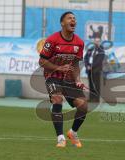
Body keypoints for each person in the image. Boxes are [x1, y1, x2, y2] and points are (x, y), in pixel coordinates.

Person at [39, 11, 88, 148]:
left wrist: (78, 79)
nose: (73, 20)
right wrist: (58, 68)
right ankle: (60, 138)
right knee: (57, 99)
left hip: (69, 80)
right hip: (52, 77)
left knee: (83, 106)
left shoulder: (79, 42)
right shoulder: (52, 40)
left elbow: (76, 65)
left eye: (74, 18)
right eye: (70, 18)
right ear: (62, 23)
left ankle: (73, 132)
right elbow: (42, 61)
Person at [84, 37, 105, 102]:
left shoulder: (101, 50)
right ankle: (91, 98)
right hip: (89, 70)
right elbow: (85, 58)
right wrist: (87, 65)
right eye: (96, 41)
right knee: (91, 84)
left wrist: (92, 66)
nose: (97, 42)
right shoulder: (90, 49)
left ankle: (96, 99)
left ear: (100, 42)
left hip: (96, 70)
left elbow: (99, 61)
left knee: (96, 84)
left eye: (98, 41)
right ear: (94, 42)